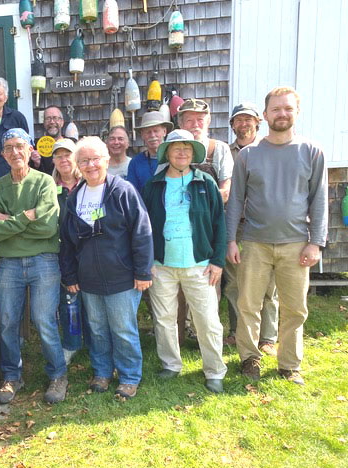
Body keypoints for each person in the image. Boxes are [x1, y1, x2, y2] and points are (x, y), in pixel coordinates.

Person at [226, 86, 328, 385]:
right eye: (276, 109)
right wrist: (231, 239)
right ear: (265, 115)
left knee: (295, 308)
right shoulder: (248, 155)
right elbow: (235, 201)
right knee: (248, 304)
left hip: (296, 243)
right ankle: (249, 358)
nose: (282, 114)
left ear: (297, 113)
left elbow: (319, 200)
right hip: (255, 242)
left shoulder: (311, 152)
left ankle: (289, 364)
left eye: (288, 109)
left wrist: (316, 241)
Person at [60, 136, 153, 399]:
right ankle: (102, 372)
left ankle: (129, 376)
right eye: (84, 161)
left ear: (106, 160)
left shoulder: (122, 191)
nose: (90, 165)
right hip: (88, 279)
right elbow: (66, 241)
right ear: (78, 165)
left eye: (95, 159)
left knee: (123, 329)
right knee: (98, 329)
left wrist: (143, 271)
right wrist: (69, 275)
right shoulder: (74, 198)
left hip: (122, 277)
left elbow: (142, 232)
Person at [0, 128, 67, 405]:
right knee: (7, 321)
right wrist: (26, 217)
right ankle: (11, 377)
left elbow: (47, 226)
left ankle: (57, 375)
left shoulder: (44, 182)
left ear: (31, 149)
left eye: (20, 146)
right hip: (9, 262)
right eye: (9, 148)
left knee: (44, 320)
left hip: (44, 259)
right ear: (3, 154)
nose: (15, 152)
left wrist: (10, 220)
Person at [142, 129, 228, 394]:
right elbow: (143, 228)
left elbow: (219, 223)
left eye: (187, 148)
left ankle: (214, 371)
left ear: (193, 153)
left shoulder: (205, 183)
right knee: (165, 318)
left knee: (207, 320)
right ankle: (170, 364)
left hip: (199, 264)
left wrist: (217, 261)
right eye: (176, 147)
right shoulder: (153, 186)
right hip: (162, 264)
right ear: (167, 153)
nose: (182, 152)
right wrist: (148, 262)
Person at [224, 102, 278, 353]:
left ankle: (267, 336)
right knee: (234, 283)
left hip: (263, 225)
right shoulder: (226, 152)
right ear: (232, 124)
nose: (243, 124)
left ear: (258, 122)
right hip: (234, 225)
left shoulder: (270, 150)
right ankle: (237, 331)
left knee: (268, 283)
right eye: (238, 120)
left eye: (248, 119)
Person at [51, 138, 88, 365]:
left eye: (68, 155)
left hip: (88, 249)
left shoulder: (87, 183)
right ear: (53, 160)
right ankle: (72, 344)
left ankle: (94, 343)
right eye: (59, 155)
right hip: (62, 251)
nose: (64, 159)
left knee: (91, 301)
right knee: (69, 300)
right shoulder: (49, 186)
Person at [177, 98, 234, 202]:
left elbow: (226, 192)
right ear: (181, 124)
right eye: (189, 120)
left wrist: (199, 206)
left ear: (208, 122)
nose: (195, 125)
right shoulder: (171, 151)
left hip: (211, 215)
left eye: (200, 120)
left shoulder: (220, 149)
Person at [127, 111, 173, 192]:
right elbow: (132, 194)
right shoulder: (135, 163)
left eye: (156, 131)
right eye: (148, 132)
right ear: (142, 135)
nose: (152, 135)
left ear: (164, 132)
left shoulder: (175, 159)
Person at [30, 105, 64, 175]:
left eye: (55, 118)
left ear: (62, 122)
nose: (52, 122)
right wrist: (37, 164)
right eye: (48, 118)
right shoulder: (36, 146)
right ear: (44, 123)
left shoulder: (70, 144)